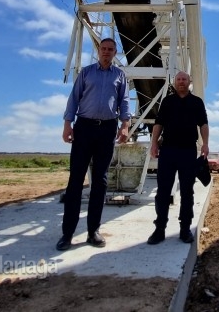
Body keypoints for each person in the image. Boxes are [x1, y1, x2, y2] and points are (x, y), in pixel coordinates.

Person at [56, 37, 130, 251]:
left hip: (107, 129)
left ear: (115, 52)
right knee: (76, 180)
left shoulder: (120, 75)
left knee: (100, 180)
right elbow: (74, 98)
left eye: (110, 49)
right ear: (99, 50)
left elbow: (124, 101)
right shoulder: (86, 73)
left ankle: (93, 231)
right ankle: (67, 234)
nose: (106, 52)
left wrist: (125, 125)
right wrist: (67, 124)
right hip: (84, 127)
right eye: (103, 48)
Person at [147, 70, 209, 244]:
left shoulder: (196, 102)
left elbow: (203, 124)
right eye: (178, 79)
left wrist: (205, 143)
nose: (181, 82)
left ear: (189, 82)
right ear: (175, 82)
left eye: (184, 79)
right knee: (163, 191)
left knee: (187, 192)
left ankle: (185, 229)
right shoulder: (167, 101)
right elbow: (159, 123)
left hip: (188, 151)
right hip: (168, 151)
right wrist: (154, 143)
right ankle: (160, 229)